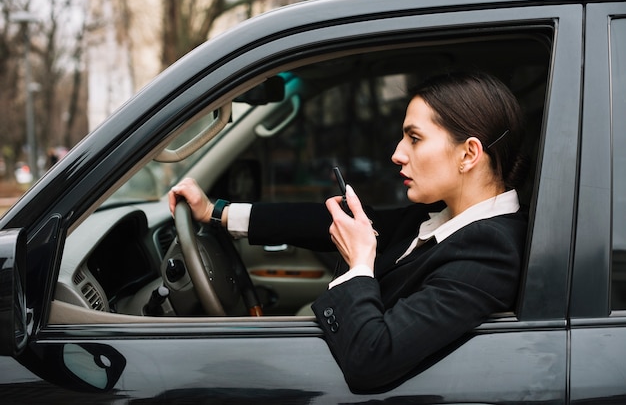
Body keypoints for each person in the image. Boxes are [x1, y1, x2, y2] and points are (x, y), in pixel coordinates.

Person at [168, 71, 528, 392]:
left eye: (414, 138)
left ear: (468, 154)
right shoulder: (443, 215)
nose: (397, 154)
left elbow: (374, 360)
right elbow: (345, 223)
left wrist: (359, 264)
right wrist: (218, 213)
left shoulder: (490, 250)